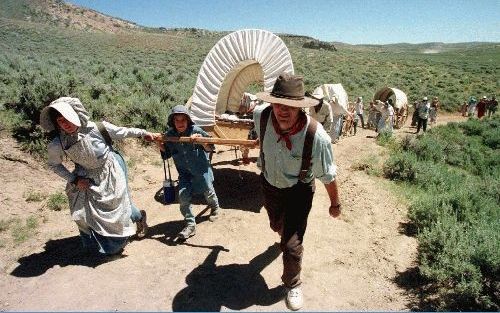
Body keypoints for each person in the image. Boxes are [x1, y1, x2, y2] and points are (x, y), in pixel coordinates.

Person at [254, 74, 341, 311]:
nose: (283, 110)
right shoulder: (260, 117)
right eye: (278, 103)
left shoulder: (316, 137)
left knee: (292, 245)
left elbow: (328, 176)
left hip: (298, 191)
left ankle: (292, 284)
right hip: (270, 184)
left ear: (300, 107)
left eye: (290, 106)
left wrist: (335, 204)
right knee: (277, 226)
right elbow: (260, 143)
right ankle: (284, 235)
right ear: (271, 102)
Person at [40, 97, 152, 257]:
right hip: (84, 176)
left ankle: (137, 218)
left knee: (119, 203)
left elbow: (124, 132)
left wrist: (143, 133)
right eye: (60, 120)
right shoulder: (58, 142)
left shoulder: (96, 128)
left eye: (67, 118)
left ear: (75, 114)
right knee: (82, 210)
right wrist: (74, 179)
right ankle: (96, 245)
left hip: (110, 168)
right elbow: (53, 164)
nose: (65, 123)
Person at [158, 105, 221, 240]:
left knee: (208, 191)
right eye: (177, 120)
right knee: (183, 197)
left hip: (201, 170)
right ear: (173, 122)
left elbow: (211, 148)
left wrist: (202, 141)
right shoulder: (170, 135)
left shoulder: (196, 130)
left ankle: (215, 207)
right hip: (184, 173)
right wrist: (159, 144)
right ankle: (190, 224)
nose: (180, 123)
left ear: (188, 120)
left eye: (183, 120)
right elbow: (167, 154)